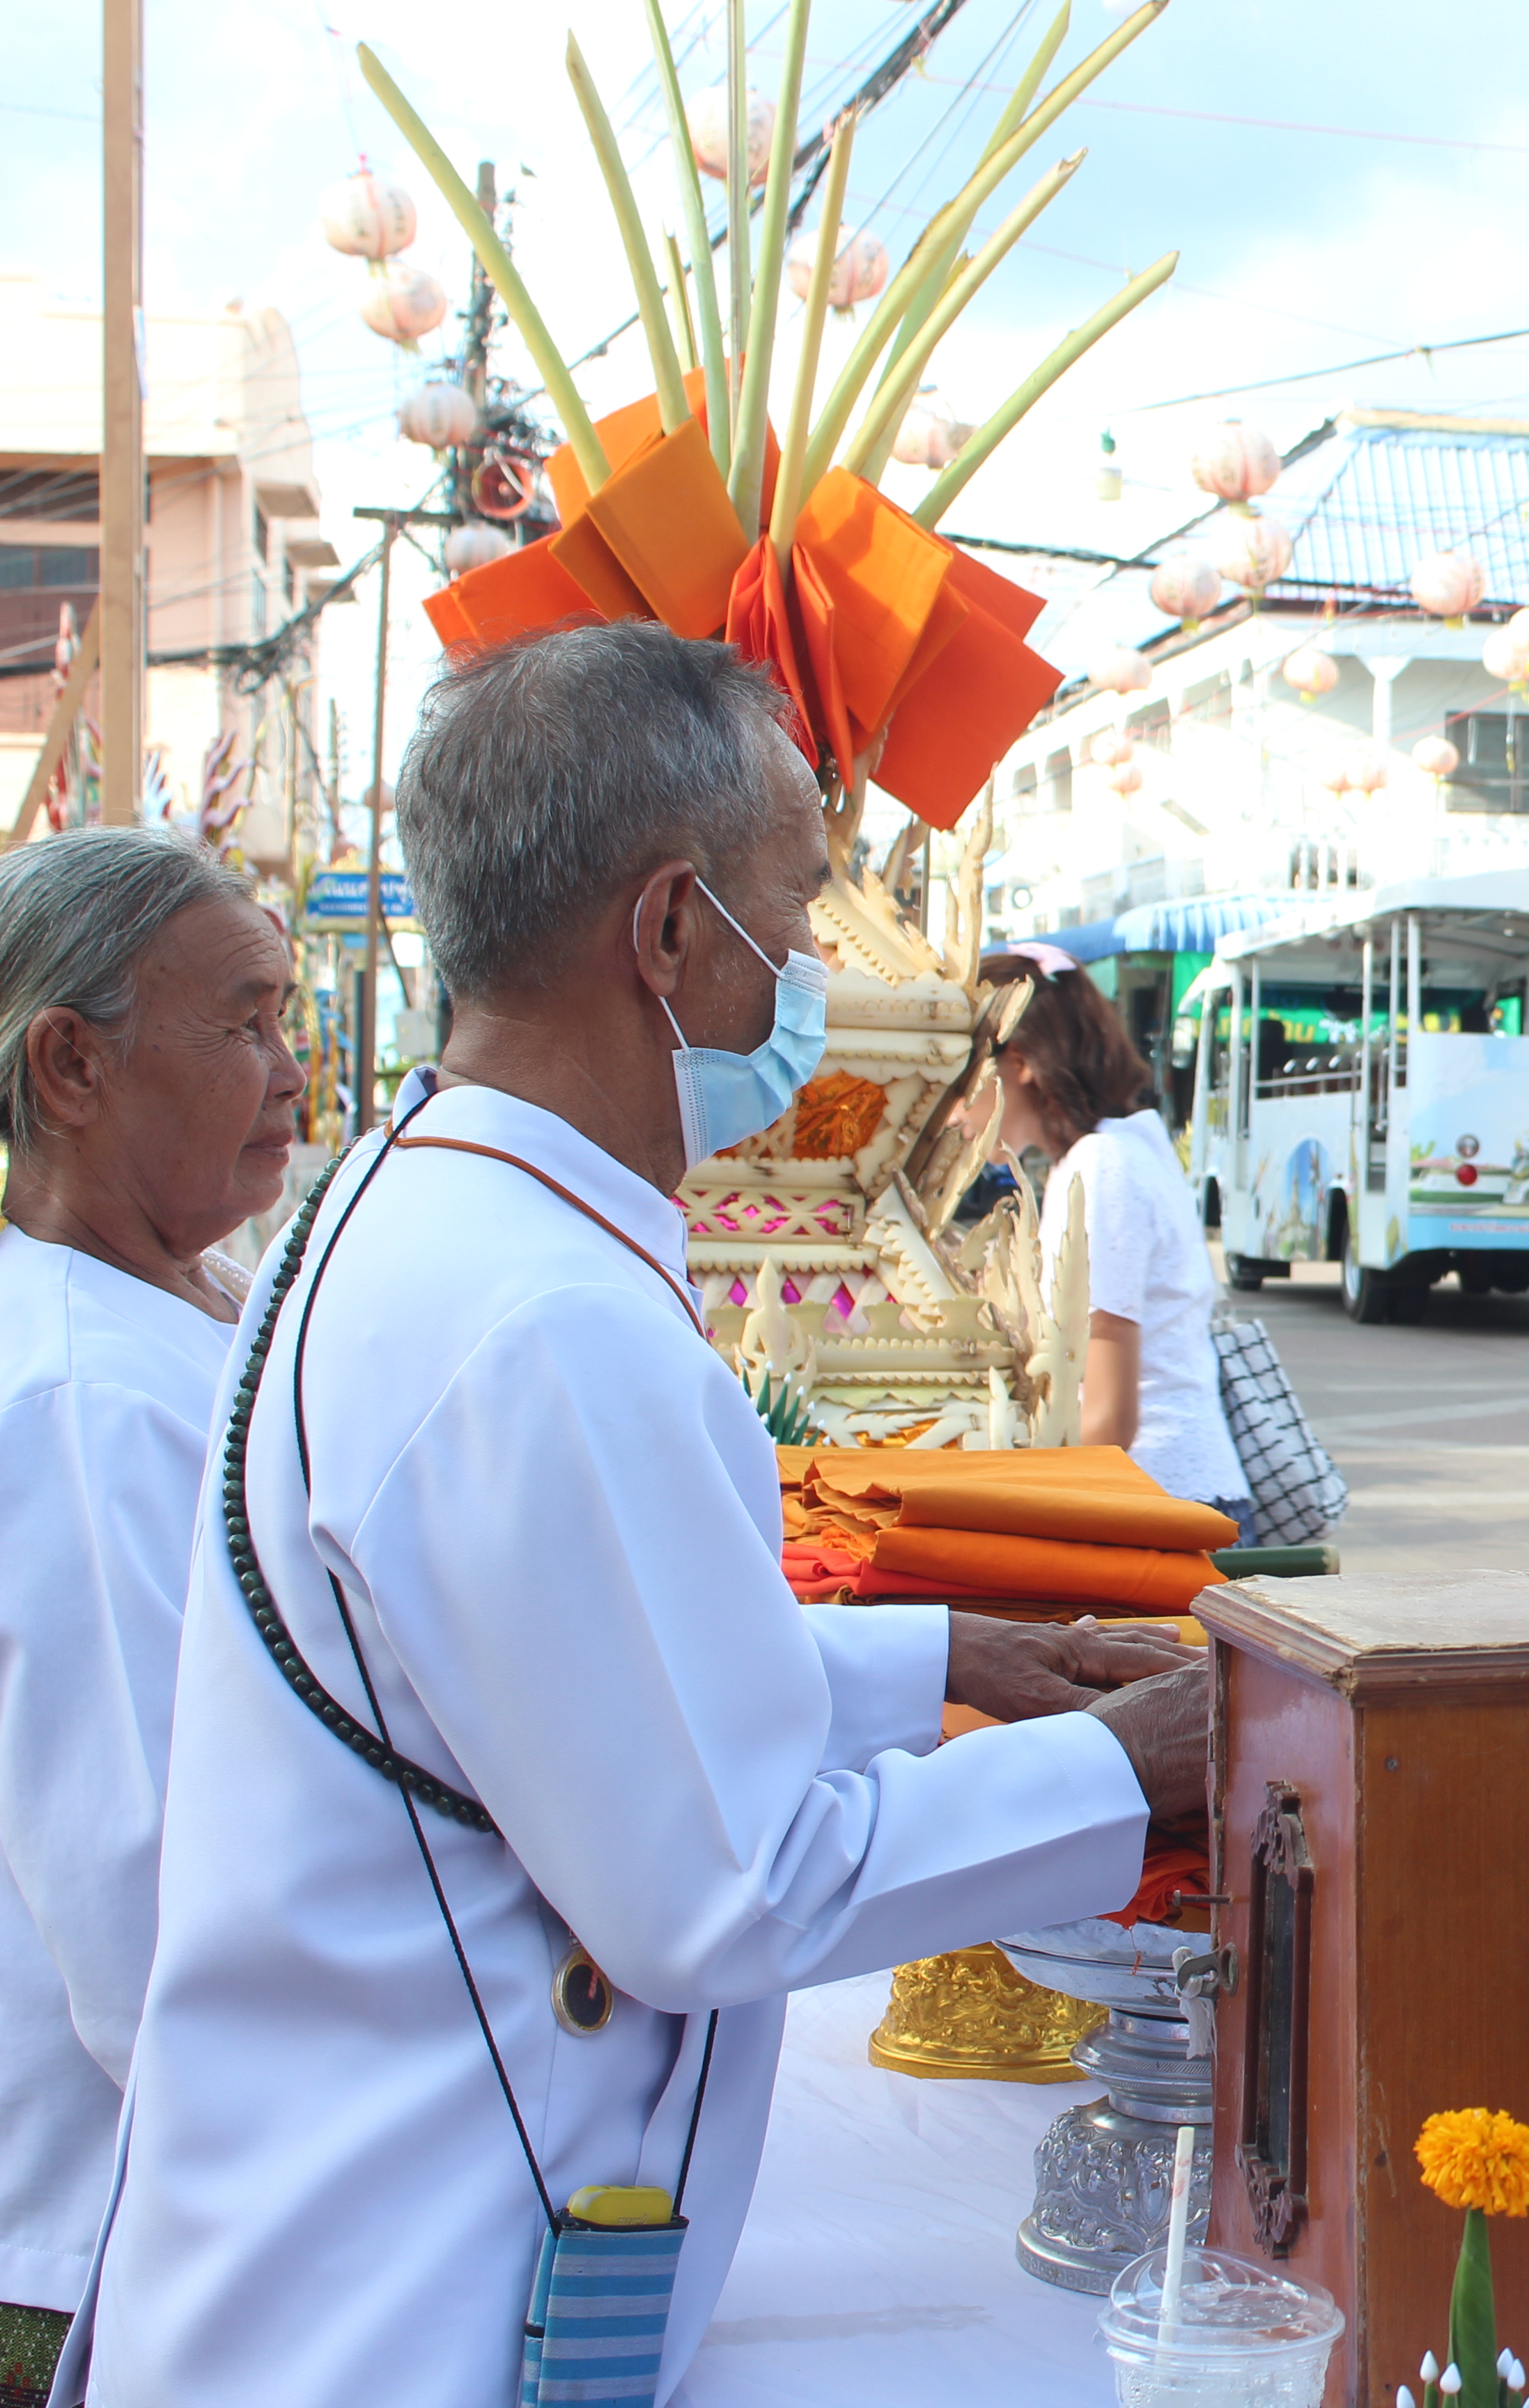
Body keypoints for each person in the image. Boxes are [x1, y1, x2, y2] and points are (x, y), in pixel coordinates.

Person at [78, 623, 1223, 2408]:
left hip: (347, 2255)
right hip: (391, 2320)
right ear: (674, 928)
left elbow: (565, 1682)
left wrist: (941, 1656)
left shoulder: (423, 1199)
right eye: (803, 904)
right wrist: (1131, 1767)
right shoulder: (540, 1316)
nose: (819, 971)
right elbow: (722, 1887)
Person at [0, 831, 298, 2405]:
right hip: (107, 2218)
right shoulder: (77, 1395)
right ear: (72, 1065)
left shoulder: (191, 1298)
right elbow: (137, 1901)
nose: (291, 1073)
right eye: (244, 1023)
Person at [976, 943, 1251, 1525]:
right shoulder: (1120, 1149)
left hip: (1162, 1506)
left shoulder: (1100, 1166)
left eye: (961, 1073)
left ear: (1019, 1061)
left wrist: (1002, 1493)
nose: (951, 1107)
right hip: (1168, 1497)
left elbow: (1108, 1420)